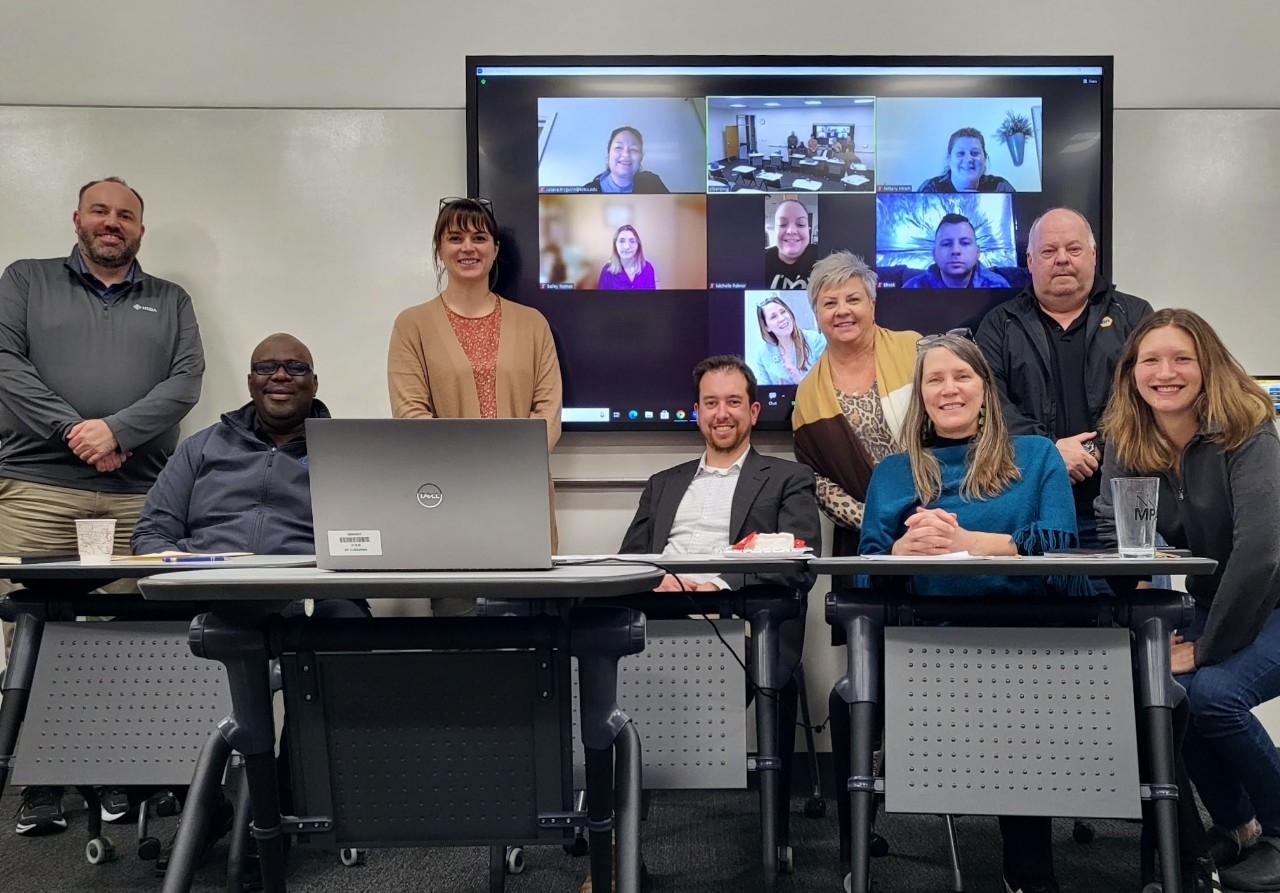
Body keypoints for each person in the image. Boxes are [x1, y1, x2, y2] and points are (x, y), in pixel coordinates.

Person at [0, 177, 205, 837]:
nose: (112, 223)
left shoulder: (169, 299)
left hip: (139, 490)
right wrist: (73, 431)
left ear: (141, 229)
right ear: (78, 218)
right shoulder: (26, 280)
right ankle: (42, 784)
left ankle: (121, 770)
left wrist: (116, 432)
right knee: (36, 626)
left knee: (132, 632)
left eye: (126, 215)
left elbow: (185, 381)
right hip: (37, 486)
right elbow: (5, 363)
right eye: (100, 211)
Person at [859, 334, 1083, 893]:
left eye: (961, 376)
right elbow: (860, 578)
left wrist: (971, 541)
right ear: (922, 397)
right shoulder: (893, 472)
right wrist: (896, 555)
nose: (948, 389)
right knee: (851, 694)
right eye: (934, 380)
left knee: (1025, 697)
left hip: (1027, 637)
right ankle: (855, 860)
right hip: (927, 642)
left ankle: (1030, 872)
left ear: (985, 391)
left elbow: (1060, 547)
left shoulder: (1035, 456)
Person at [617, 354, 820, 893]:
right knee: (610, 691)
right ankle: (622, 857)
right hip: (659, 616)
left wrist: (720, 585)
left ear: (753, 411)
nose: (722, 414)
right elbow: (628, 561)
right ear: (697, 412)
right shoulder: (663, 483)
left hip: (744, 619)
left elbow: (799, 564)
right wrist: (654, 584)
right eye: (711, 403)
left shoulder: (789, 478)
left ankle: (768, 855)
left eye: (733, 402)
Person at [1096, 308, 1279, 893]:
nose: (1165, 372)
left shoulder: (1248, 430)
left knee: (1215, 695)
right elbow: (1114, 525)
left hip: (1273, 598)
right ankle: (1239, 824)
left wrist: (1205, 648)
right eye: (1151, 359)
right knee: (1169, 694)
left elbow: (1262, 553)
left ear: (1208, 366)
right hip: (1210, 598)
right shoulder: (1129, 434)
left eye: (1182, 359)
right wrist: (1141, 580)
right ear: (1132, 371)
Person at [387, 197, 562, 614]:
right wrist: (469, 474)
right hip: (446, 504)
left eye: (479, 237)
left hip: (523, 501)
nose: (468, 247)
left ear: (495, 248)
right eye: (455, 237)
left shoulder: (533, 323)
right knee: (458, 637)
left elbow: (548, 412)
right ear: (439, 248)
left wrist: (506, 467)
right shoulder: (411, 325)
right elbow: (411, 415)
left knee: (532, 641)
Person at [976, 207, 1153, 549]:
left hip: (1123, 512)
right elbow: (989, 404)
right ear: (1029, 260)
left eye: (1073, 249)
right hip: (1030, 512)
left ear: (1093, 254)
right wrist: (1050, 452)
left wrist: (1090, 448)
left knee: (1134, 603)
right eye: (1048, 251)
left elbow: (1149, 398)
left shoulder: (1134, 316)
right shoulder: (999, 324)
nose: (1062, 260)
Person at [791, 251, 920, 560]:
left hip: (941, 520)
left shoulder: (915, 350)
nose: (842, 311)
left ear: (872, 306)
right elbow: (819, 484)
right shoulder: (808, 393)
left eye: (853, 299)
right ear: (816, 315)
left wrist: (927, 518)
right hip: (864, 542)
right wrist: (878, 523)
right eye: (829, 303)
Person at [903, 213, 1011, 289]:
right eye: (946, 244)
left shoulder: (999, 286)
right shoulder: (912, 288)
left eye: (964, 243)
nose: (955, 251)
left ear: (977, 252)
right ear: (934, 254)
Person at [752, 294, 826, 385]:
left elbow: (829, 385)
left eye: (783, 312)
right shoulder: (763, 355)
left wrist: (801, 383)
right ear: (767, 327)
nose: (782, 318)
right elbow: (765, 392)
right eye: (773, 317)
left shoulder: (816, 340)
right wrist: (779, 392)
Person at [917, 127, 1015, 194]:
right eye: (960, 153)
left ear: (985, 159)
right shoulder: (931, 188)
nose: (968, 159)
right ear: (949, 159)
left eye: (975, 153)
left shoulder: (999, 187)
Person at [581, 126, 670, 194]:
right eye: (619, 147)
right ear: (608, 154)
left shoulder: (653, 183)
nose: (626, 154)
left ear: (641, 157)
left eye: (633, 149)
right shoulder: (587, 191)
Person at [764, 199, 819, 290]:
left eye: (801, 224)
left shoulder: (826, 258)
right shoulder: (760, 261)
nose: (791, 231)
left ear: (808, 229)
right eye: (782, 224)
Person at [597, 224, 659, 290]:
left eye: (632, 241)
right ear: (615, 245)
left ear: (638, 245)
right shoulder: (607, 271)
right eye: (621, 241)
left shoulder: (647, 268)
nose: (627, 247)